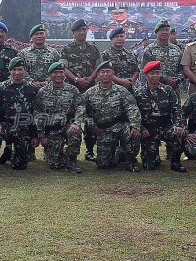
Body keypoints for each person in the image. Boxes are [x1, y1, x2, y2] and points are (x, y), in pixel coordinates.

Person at [74, 61, 141, 171]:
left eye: (108, 72)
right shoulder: (90, 93)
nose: (105, 74)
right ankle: (118, 154)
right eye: (102, 72)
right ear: (98, 75)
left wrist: (135, 126)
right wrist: (91, 124)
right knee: (103, 165)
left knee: (134, 134)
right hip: (102, 129)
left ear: (112, 74)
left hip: (120, 126)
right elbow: (80, 109)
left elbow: (132, 108)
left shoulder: (121, 90)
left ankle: (131, 161)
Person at [0, 57, 38, 173]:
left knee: (20, 166)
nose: (17, 72)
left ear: (24, 71)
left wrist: (34, 135)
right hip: (4, 125)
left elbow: (35, 112)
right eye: (14, 69)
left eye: (20, 69)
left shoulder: (31, 89)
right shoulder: (1, 87)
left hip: (23, 128)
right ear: (10, 71)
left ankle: (10, 153)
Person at [60, 19, 101, 160]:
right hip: (72, 90)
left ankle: (89, 151)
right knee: (71, 120)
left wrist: (89, 79)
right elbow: (63, 68)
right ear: (74, 33)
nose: (82, 32)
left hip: (91, 89)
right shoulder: (66, 49)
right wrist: (76, 80)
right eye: (79, 30)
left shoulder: (93, 49)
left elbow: (98, 67)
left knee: (90, 121)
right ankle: (70, 151)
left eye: (84, 30)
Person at [134, 61, 185, 171]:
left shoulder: (168, 90)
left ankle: (175, 161)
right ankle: (154, 157)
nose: (155, 76)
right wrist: (141, 128)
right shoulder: (138, 93)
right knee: (149, 166)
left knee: (180, 133)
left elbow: (177, 109)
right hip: (149, 131)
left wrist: (179, 125)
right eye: (152, 73)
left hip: (166, 127)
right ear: (146, 75)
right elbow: (134, 114)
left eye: (157, 72)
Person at [34, 62, 82, 172]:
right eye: (55, 72)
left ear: (65, 74)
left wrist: (76, 123)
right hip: (52, 129)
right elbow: (38, 114)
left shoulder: (73, 90)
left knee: (75, 133)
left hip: (68, 126)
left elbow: (80, 107)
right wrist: (42, 135)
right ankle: (54, 154)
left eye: (61, 72)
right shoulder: (42, 92)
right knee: (55, 165)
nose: (58, 75)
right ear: (50, 74)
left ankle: (71, 161)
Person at [142, 20, 185, 92]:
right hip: (155, 88)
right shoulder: (149, 50)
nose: (165, 32)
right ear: (156, 32)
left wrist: (177, 80)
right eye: (162, 30)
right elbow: (146, 69)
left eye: (167, 30)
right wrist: (165, 79)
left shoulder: (177, 49)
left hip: (174, 89)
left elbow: (182, 68)